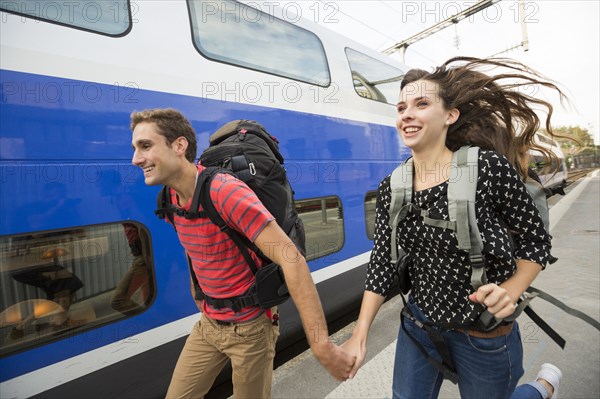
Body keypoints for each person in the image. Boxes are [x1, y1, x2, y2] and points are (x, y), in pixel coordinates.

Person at [341, 57, 567, 399]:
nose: (407, 113)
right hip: (419, 326)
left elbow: (535, 242)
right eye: (401, 106)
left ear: (450, 116)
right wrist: (360, 333)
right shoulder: (392, 186)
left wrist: (511, 287)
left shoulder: (488, 169)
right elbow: (383, 262)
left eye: (421, 104)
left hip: (483, 334)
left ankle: (541, 388)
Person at [130, 109, 354, 398]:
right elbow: (193, 249)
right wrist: (198, 294)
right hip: (209, 326)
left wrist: (322, 347)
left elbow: (291, 259)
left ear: (179, 146)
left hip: (250, 329)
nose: (136, 159)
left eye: (146, 146)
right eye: (135, 148)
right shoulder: (169, 199)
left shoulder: (224, 192)